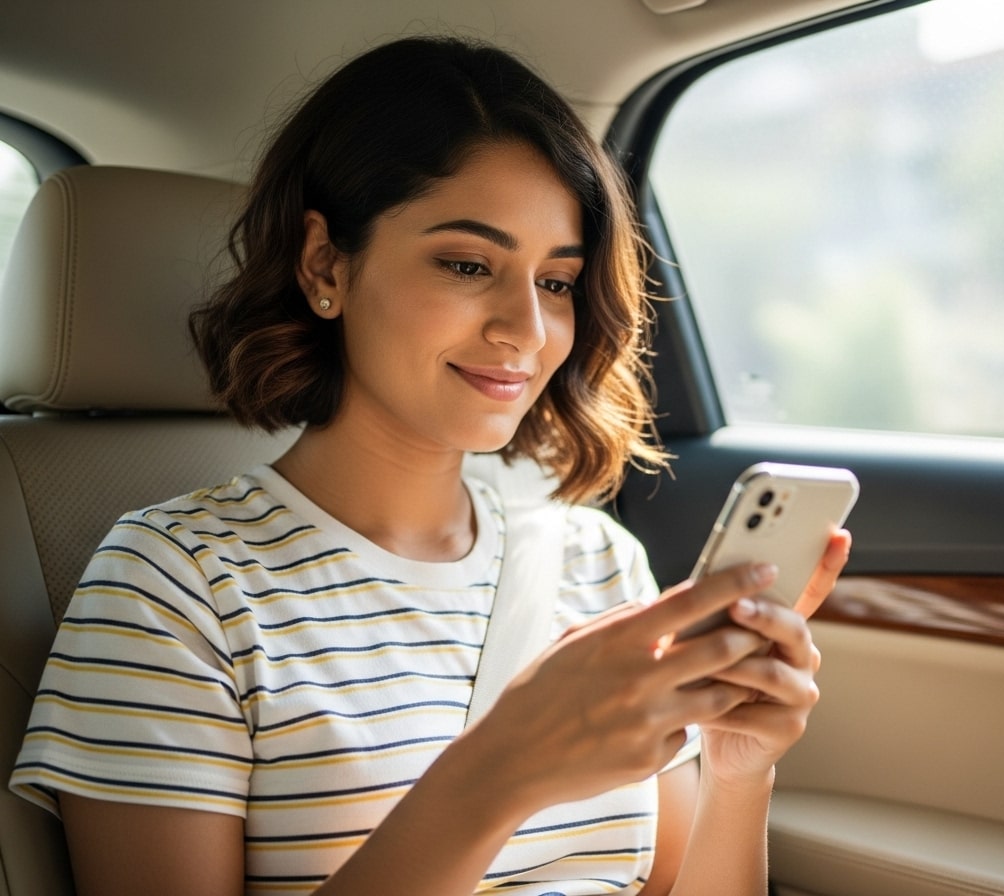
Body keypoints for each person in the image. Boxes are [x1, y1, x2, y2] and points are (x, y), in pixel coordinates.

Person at [9, 36, 850, 896]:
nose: (525, 329)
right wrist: (501, 770)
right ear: (324, 264)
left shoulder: (598, 562)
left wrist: (742, 774)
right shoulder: (174, 585)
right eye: (466, 264)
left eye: (556, 282)